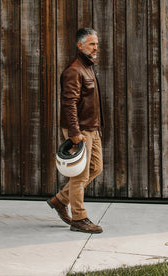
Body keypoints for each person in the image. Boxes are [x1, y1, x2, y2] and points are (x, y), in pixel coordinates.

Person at [47, 28, 103, 234]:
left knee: (96, 167)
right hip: (80, 130)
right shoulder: (74, 70)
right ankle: (79, 218)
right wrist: (74, 131)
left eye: (96, 44)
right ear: (80, 46)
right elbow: (68, 103)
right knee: (80, 175)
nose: (96, 47)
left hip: (92, 128)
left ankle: (60, 200)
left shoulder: (87, 67)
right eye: (91, 44)